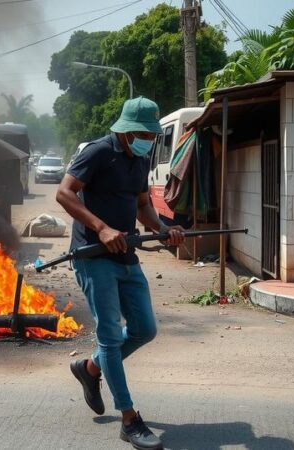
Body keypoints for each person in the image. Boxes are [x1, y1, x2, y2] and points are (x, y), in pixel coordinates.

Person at [56, 97, 185, 450]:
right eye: (144, 132)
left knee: (145, 329)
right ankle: (129, 419)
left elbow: (142, 204)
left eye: (151, 133)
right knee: (111, 337)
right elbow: (64, 193)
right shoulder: (98, 152)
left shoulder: (140, 159)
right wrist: (101, 228)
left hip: (125, 255)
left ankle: (91, 369)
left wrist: (163, 228)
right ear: (127, 130)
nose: (149, 138)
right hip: (93, 255)